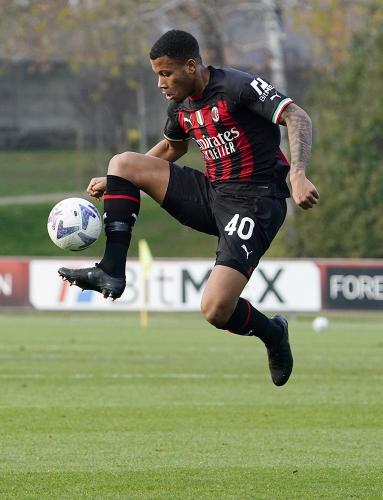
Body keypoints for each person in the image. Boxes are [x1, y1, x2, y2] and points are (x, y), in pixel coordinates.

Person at [59, 30, 319, 387]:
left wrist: (298, 173)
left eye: (166, 74)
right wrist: (116, 179)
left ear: (191, 66)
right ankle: (111, 271)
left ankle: (273, 333)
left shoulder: (238, 87)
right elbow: (172, 148)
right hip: (211, 195)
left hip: (255, 203)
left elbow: (296, 116)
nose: (160, 83)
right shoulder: (180, 107)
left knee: (215, 310)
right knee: (122, 163)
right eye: (157, 75)